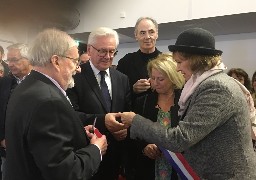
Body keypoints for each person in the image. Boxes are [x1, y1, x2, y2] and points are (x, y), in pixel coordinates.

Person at [119, 28, 256, 179]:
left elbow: (179, 139)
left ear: (195, 60)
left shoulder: (216, 87)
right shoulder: (207, 83)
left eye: (179, 62)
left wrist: (134, 120)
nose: (177, 68)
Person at [4, 28, 108, 180]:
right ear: (56, 61)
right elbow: (66, 173)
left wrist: (75, 131)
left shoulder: (26, 86)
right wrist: (96, 149)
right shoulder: (49, 100)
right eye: (74, 61)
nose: (77, 69)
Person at [66, 27, 131, 180]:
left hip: (115, 156)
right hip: (84, 154)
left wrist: (125, 129)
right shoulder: (74, 76)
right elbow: (71, 115)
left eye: (112, 51)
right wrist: (103, 122)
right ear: (89, 50)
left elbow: (127, 110)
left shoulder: (122, 78)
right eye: (102, 51)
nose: (108, 56)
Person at [129, 53, 184, 180]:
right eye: (153, 78)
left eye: (161, 79)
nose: (155, 83)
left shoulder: (185, 101)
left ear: (173, 78)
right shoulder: (142, 102)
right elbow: (133, 134)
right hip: (149, 168)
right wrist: (144, 147)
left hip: (179, 168)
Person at [0, 43, 32, 180]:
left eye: (15, 60)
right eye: (8, 60)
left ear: (29, 59)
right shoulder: (3, 83)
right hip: (7, 150)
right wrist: (1, 138)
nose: (10, 64)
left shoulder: (41, 83)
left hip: (33, 148)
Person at [116, 17, 161, 106]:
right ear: (136, 35)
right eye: (142, 33)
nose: (147, 37)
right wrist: (133, 90)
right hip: (134, 114)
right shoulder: (126, 62)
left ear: (157, 34)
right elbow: (117, 93)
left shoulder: (166, 61)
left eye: (151, 32)